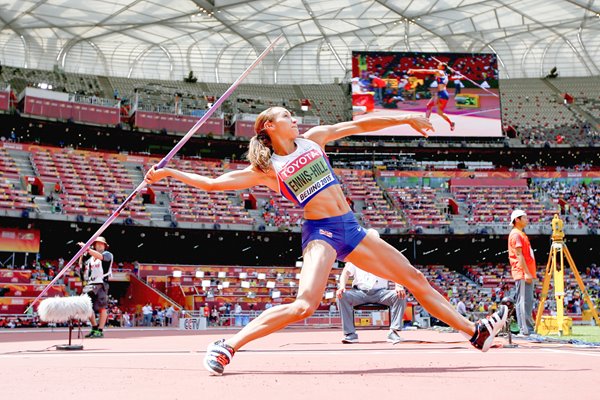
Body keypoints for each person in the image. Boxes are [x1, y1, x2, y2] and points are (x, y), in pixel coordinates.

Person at [144, 106, 507, 375]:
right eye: (286, 115)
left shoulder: (314, 139)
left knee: (414, 278)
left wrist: (406, 119)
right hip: (321, 233)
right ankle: (226, 345)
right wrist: (170, 172)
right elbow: (212, 183)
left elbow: (360, 123)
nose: (294, 119)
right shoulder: (267, 169)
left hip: (352, 228)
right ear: (269, 126)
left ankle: (474, 333)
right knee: (305, 304)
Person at [336, 252, 407, 344]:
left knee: (399, 295)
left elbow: (396, 272)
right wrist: (342, 287)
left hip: (381, 293)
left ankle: (393, 332)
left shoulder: (385, 258)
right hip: (359, 293)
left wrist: (399, 286)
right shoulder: (355, 257)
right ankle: (350, 334)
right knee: (342, 296)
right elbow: (345, 273)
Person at [508, 209, 537, 336]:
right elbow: (519, 255)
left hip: (525, 272)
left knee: (528, 301)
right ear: (517, 220)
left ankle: (528, 329)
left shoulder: (521, 233)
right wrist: (526, 273)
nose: (527, 219)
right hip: (522, 273)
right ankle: (526, 330)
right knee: (524, 301)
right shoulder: (516, 234)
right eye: (524, 217)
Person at [77, 236, 113, 338]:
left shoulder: (107, 254)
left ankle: (100, 330)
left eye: (101, 244)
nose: (99, 245)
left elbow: (101, 257)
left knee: (102, 308)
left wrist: (87, 249)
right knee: (85, 305)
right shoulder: (90, 259)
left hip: (101, 283)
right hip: (90, 284)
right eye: (97, 243)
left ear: (105, 246)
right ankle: (94, 327)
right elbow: (81, 265)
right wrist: (82, 254)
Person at [407, 64, 455, 131]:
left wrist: (414, 70)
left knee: (429, 106)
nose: (438, 65)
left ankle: (426, 123)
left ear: (443, 67)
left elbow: (426, 71)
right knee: (440, 112)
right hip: (445, 95)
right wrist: (458, 76)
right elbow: (452, 77)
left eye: (439, 65)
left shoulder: (440, 72)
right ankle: (451, 123)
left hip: (441, 94)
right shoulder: (446, 74)